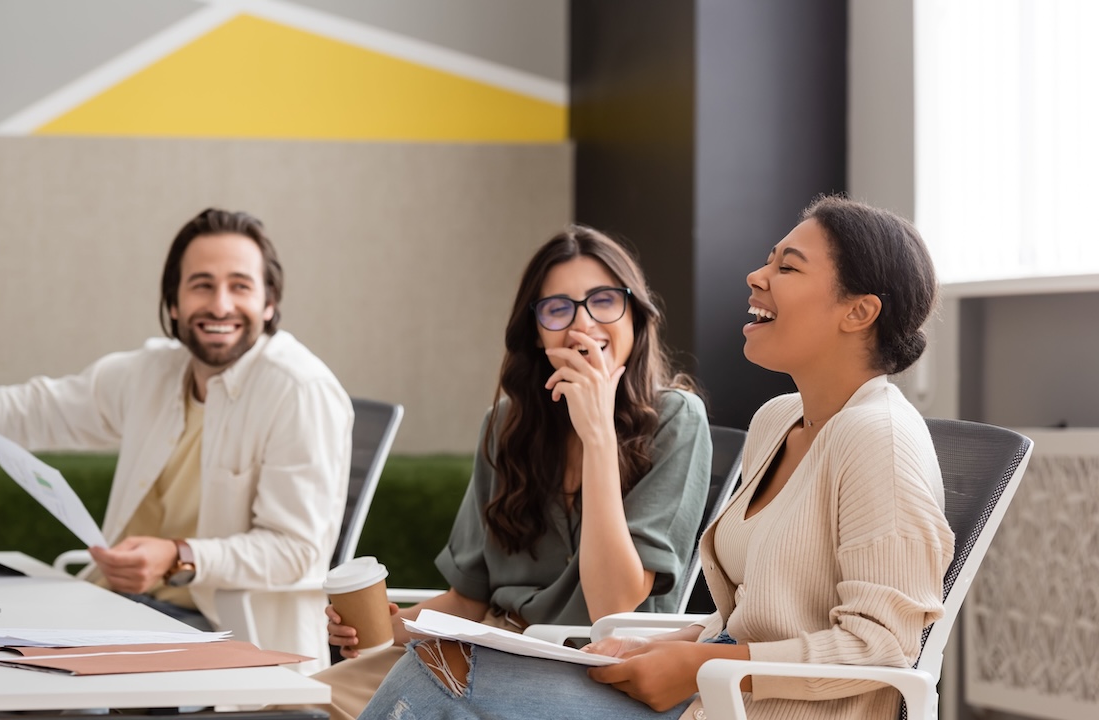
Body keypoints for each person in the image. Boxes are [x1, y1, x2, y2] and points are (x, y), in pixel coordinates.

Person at [357, 195, 955, 720]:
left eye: (787, 266)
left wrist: (699, 664)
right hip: (716, 694)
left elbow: (884, 648)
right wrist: (668, 649)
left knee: (440, 678)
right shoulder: (779, 420)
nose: (756, 275)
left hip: (761, 705)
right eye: (768, 259)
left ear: (859, 311)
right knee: (430, 665)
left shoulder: (881, 438)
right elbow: (755, 618)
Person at [0, 208, 353, 668]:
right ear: (173, 302)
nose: (220, 305)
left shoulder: (299, 390)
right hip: (121, 608)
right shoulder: (154, 373)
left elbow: (297, 551)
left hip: (223, 635)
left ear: (269, 303)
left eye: (240, 285)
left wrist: (179, 557)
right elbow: (31, 408)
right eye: (201, 284)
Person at [310, 225, 713, 719]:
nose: (582, 325)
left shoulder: (676, 420)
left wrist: (598, 437)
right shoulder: (506, 425)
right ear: (536, 332)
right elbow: (468, 602)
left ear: (635, 315)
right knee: (296, 702)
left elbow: (615, 607)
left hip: (596, 671)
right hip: (487, 650)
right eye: (558, 309)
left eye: (604, 300)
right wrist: (381, 629)